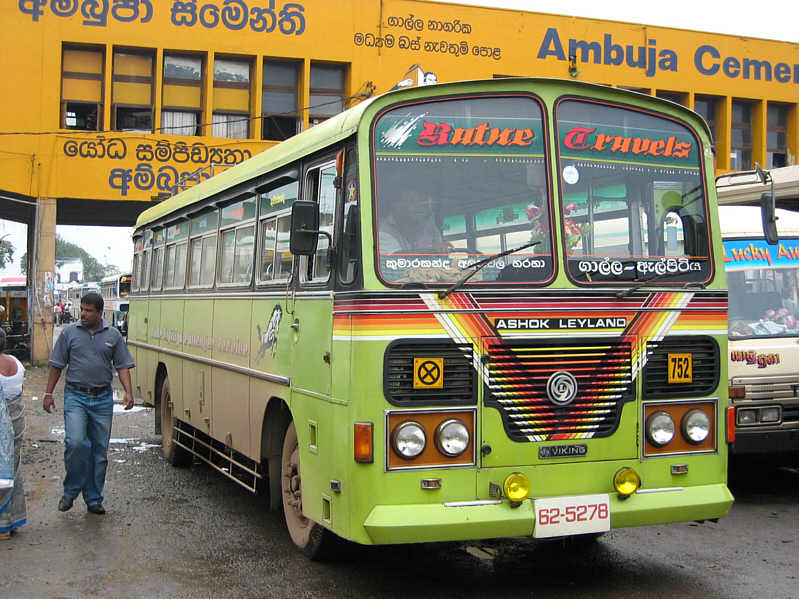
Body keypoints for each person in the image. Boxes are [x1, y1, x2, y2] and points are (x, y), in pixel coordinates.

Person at [43, 292, 135, 515]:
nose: (83, 314)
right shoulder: (69, 333)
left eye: (88, 310)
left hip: (102, 399)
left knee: (99, 451)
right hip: (76, 397)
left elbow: (122, 366)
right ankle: (71, 490)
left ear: (100, 313)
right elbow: (57, 365)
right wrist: (48, 393)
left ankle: (93, 498)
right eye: (82, 309)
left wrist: (128, 392)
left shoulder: (112, 335)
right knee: (75, 443)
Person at [0, 328, 26, 538]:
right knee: (13, 469)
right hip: (16, 421)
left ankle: (2, 525)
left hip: (2, 426)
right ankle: (14, 520)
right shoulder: (17, 364)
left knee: (1, 473)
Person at [379, 188, 449, 253]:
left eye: (421, 201)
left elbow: (440, 257)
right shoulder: (383, 233)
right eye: (411, 201)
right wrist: (431, 250)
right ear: (395, 205)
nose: (419, 206)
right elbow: (399, 262)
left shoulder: (430, 228)